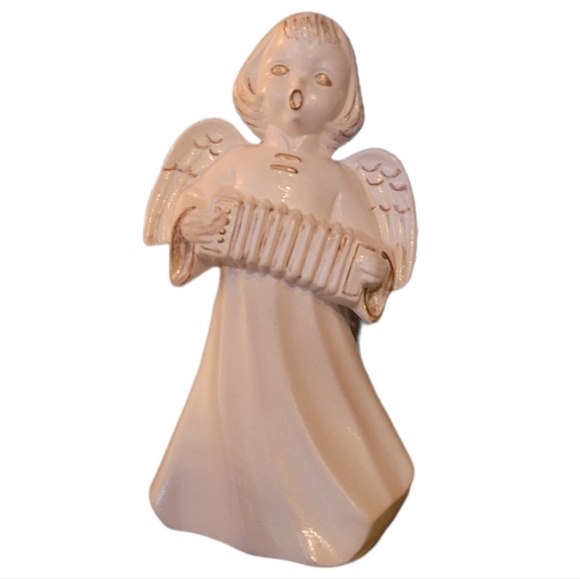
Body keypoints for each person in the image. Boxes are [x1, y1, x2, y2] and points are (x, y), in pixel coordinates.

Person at [145, 12, 415, 566]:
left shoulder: (342, 180)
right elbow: (185, 217)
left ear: (345, 101)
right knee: (233, 407)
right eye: (281, 69)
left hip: (312, 339)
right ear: (254, 80)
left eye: (322, 79)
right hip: (242, 331)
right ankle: (215, 499)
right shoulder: (234, 163)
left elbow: (374, 262)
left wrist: (368, 271)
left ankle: (334, 506)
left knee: (319, 415)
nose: (297, 89)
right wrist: (193, 226)